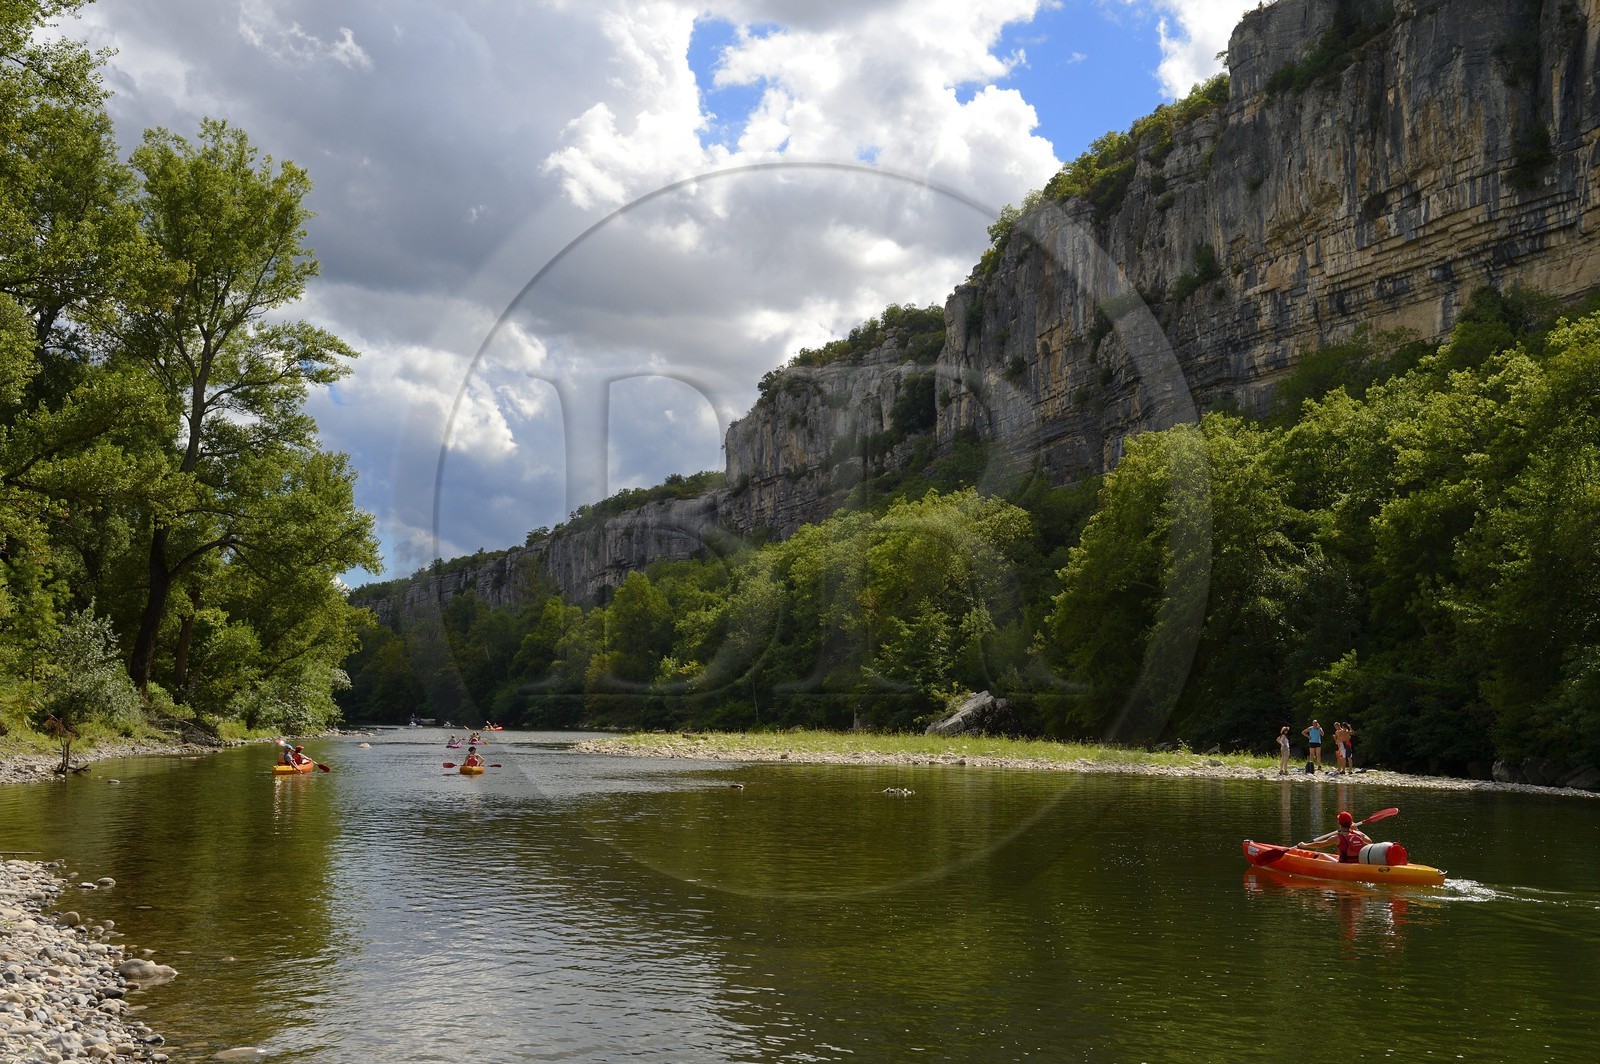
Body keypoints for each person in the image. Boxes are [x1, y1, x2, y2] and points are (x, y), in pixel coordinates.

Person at [1304, 810, 1371, 863]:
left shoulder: (1337, 838)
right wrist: (1357, 829)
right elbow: (1369, 841)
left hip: (1344, 864)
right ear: (1351, 823)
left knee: (1322, 855)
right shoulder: (1358, 834)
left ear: (1339, 823)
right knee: (1338, 857)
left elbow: (1319, 845)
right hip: (1358, 862)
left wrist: (1304, 845)